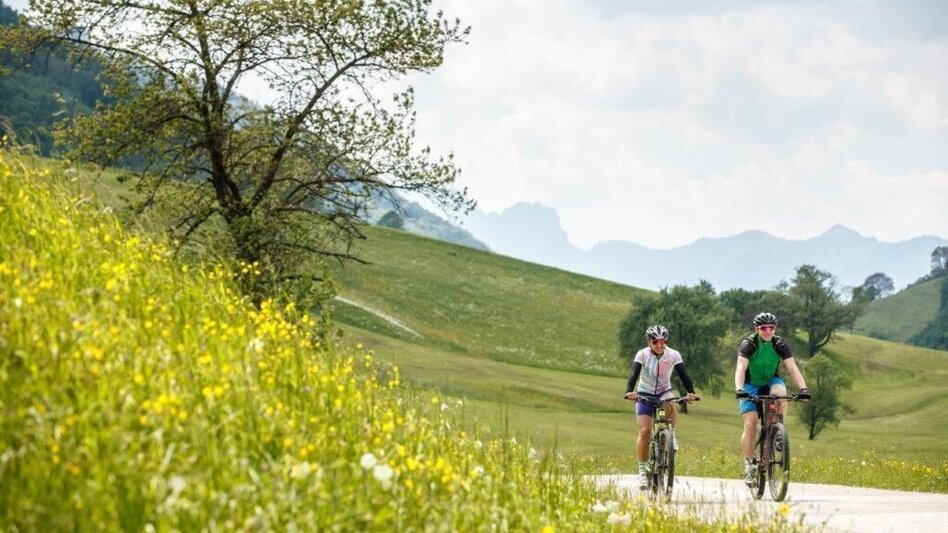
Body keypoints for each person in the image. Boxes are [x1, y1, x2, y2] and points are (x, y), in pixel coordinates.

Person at [734, 312, 810, 486]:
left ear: (775, 329)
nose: (768, 331)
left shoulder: (779, 344)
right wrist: (739, 388)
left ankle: (778, 430)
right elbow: (740, 367)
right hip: (750, 384)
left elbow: (792, 368)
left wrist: (803, 388)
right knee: (750, 423)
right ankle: (749, 465)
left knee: (780, 392)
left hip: (771, 381)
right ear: (757, 329)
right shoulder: (749, 344)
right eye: (763, 328)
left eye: (771, 327)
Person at [625, 324, 698, 491]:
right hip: (644, 392)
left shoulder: (673, 355)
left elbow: (683, 374)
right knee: (645, 431)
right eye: (655, 341)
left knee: (671, 401)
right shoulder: (642, 354)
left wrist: (691, 392)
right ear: (649, 342)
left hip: (664, 390)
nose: (659, 345)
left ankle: (671, 436)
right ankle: (642, 471)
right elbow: (634, 373)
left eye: (662, 341)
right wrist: (629, 391)